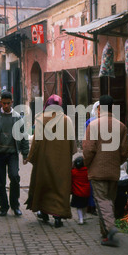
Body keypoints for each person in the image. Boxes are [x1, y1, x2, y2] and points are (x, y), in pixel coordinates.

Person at [83, 95, 128, 247]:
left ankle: (110, 228)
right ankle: (106, 235)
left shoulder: (94, 125)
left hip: (97, 171)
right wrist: (116, 163)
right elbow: (124, 152)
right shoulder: (121, 126)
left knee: (102, 201)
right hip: (114, 171)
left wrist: (87, 164)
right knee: (109, 200)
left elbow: (89, 150)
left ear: (100, 108)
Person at [25, 95, 77, 228]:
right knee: (60, 187)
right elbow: (73, 144)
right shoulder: (67, 120)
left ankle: (44, 212)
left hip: (44, 161)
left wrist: (30, 157)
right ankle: (58, 216)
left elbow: (36, 142)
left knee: (44, 186)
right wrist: (70, 156)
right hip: (62, 162)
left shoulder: (41, 119)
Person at [0, 91, 29, 217]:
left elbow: (24, 137)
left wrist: (25, 154)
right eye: (3, 103)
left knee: (14, 177)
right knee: (0, 181)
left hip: (12, 154)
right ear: (0, 103)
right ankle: (3, 206)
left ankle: (15, 206)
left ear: (12, 102)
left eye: (8, 103)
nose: (5, 106)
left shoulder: (17, 118)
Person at [71, 156, 91, 225]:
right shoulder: (87, 171)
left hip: (77, 192)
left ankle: (81, 219)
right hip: (86, 192)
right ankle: (84, 216)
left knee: (78, 207)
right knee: (85, 206)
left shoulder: (73, 172)